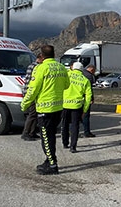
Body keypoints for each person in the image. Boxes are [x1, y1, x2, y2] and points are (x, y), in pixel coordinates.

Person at [21, 45, 70, 175]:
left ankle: (52, 165)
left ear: (42, 56)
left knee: (46, 139)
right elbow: (67, 85)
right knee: (51, 136)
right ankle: (49, 160)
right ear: (53, 55)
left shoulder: (40, 68)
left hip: (45, 109)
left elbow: (33, 89)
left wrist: (24, 104)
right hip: (58, 108)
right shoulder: (61, 67)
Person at [61, 62, 92, 153]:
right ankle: (73, 147)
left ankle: (65, 142)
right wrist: (85, 109)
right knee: (75, 126)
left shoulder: (66, 75)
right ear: (82, 69)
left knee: (65, 124)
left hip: (64, 105)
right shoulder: (85, 80)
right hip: (77, 106)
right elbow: (88, 96)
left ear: (72, 68)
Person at [20, 53, 44, 141]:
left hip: (30, 92)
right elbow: (32, 81)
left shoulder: (32, 66)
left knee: (35, 114)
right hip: (31, 93)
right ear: (40, 58)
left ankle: (32, 132)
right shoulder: (35, 67)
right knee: (32, 114)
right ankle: (26, 133)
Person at [81, 64, 96, 137]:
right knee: (86, 116)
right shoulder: (89, 76)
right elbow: (89, 89)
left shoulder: (81, 73)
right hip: (85, 98)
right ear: (91, 69)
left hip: (77, 98)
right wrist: (92, 98)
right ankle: (87, 132)